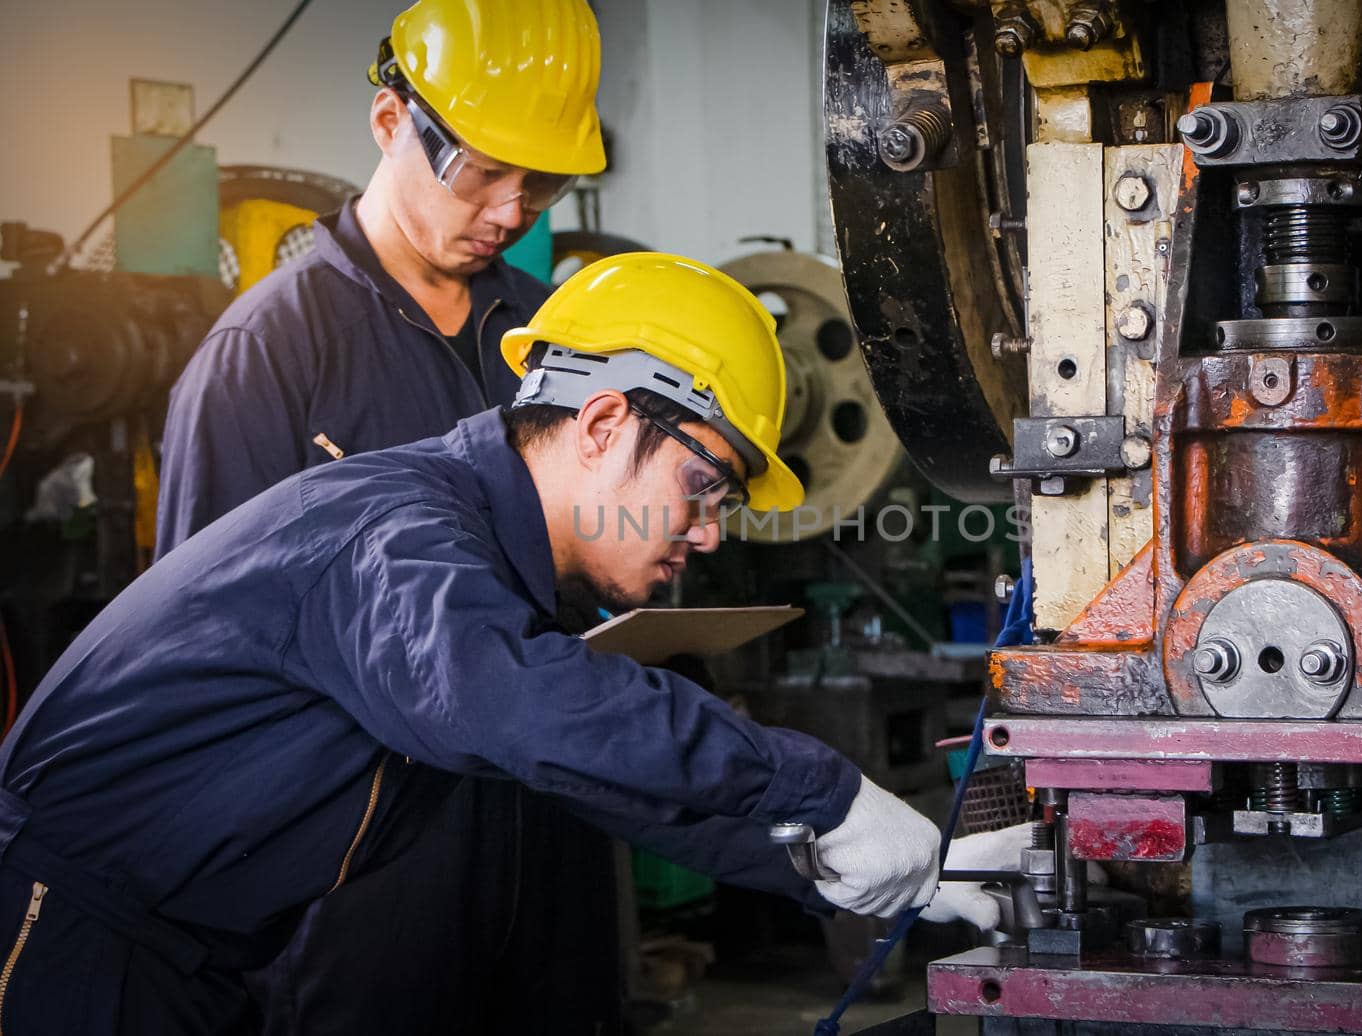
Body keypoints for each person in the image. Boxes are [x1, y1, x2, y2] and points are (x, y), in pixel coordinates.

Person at [0, 253, 1007, 1034]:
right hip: (70, 935)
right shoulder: (396, 534)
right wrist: (817, 790)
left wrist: (840, 860)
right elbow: (529, 704)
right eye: (704, 487)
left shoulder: (494, 572)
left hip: (185, 956)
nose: (708, 532)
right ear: (605, 422)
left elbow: (590, 774)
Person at [154, 1, 624, 1030]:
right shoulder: (270, 354)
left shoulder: (552, 335)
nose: (509, 209)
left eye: (539, 182)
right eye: (481, 169)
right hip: (362, 860)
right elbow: (197, 651)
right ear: (387, 119)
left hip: (549, 828)